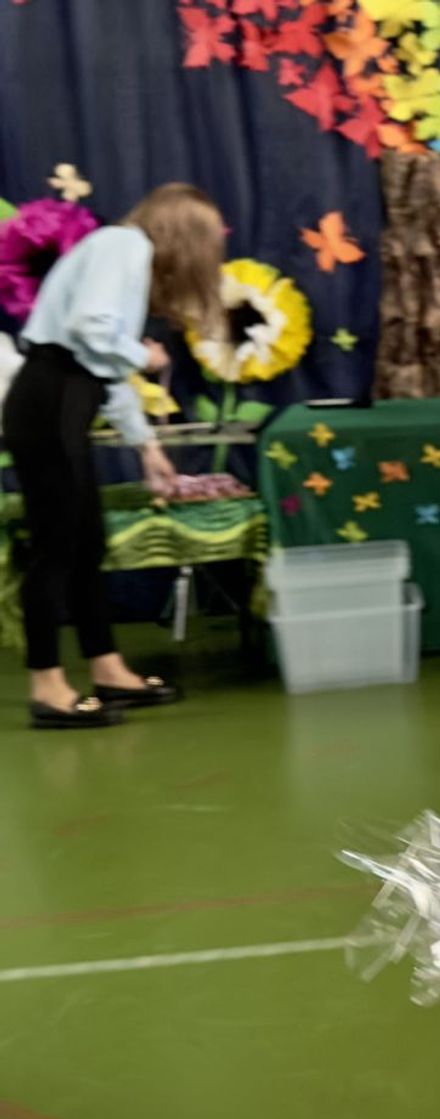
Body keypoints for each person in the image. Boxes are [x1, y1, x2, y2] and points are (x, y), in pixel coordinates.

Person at [3, 182, 224, 729]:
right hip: (49, 401)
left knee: (86, 544)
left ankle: (108, 668)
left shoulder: (122, 252)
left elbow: (104, 369)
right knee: (56, 547)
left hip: (62, 400)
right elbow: (91, 330)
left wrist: (146, 446)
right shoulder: (124, 246)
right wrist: (144, 357)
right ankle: (48, 686)